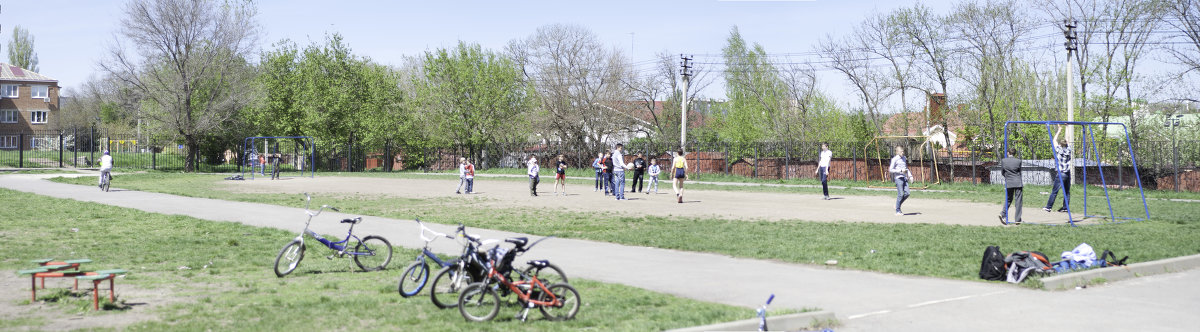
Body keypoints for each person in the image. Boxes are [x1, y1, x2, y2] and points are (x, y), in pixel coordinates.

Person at [1045, 125, 1072, 213]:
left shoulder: (1058, 150)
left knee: (1054, 191)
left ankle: (1048, 207)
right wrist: (1067, 128)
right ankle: (1065, 208)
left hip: (1061, 173)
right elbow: (1068, 139)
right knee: (1067, 191)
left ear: (1060, 144)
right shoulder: (1069, 149)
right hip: (1067, 173)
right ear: (1066, 144)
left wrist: (1059, 130)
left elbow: (1054, 140)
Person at [1000, 148, 1024, 225]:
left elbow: (1002, 172)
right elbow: (1019, 172)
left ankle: (1003, 213)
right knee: (1018, 201)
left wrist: (1008, 177)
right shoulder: (1018, 161)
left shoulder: (1004, 161)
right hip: (1018, 182)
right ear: (1015, 153)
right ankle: (1017, 219)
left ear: (1008, 153)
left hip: (1009, 182)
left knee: (1008, 199)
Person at [889, 146, 912, 216]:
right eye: (901, 151)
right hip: (898, 178)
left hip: (904, 178)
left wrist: (910, 176)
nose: (903, 152)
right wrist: (900, 171)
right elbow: (890, 169)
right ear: (897, 152)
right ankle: (898, 211)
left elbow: (906, 168)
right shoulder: (895, 159)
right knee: (900, 194)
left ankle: (897, 205)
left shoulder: (904, 158)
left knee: (907, 193)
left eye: (903, 151)